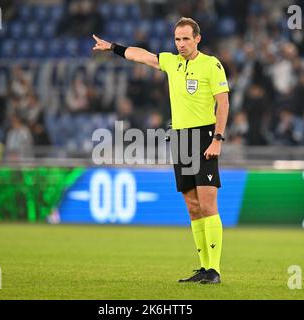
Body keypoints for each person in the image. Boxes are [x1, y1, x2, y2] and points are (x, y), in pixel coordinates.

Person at [92, 17, 230, 284]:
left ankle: (214, 270)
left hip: (204, 137)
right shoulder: (172, 62)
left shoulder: (211, 65)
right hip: (180, 139)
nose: (180, 44)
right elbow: (142, 56)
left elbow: (222, 104)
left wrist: (218, 139)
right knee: (192, 206)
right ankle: (204, 268)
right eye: (177, 39)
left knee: (208, 204)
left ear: (197, 39)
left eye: (186, 38)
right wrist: (113, 48)